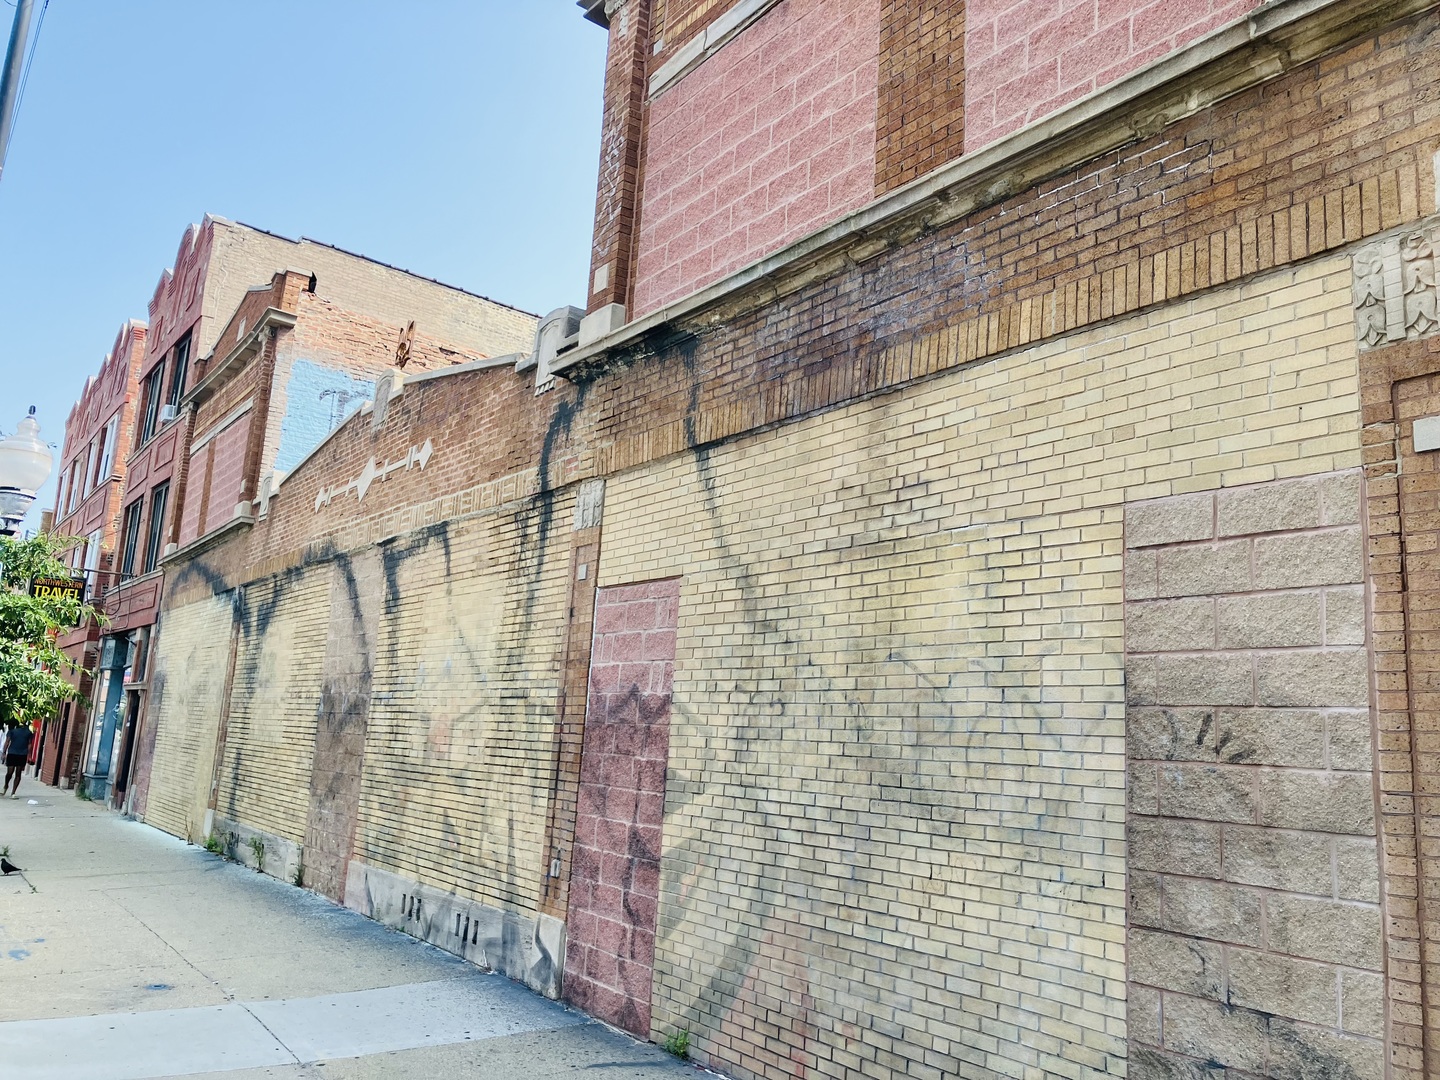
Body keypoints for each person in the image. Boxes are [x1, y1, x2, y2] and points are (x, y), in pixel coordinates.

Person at [3, 721, 32, 799]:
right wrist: (4, 752)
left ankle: (12, 791)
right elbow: (7, 741)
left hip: (21, 753)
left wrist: (29, 754)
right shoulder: (12, 731)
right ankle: (7, 786)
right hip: (14, 753)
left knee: (15, 773)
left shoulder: (28, 733)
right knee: (12, 773)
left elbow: (29, 744)